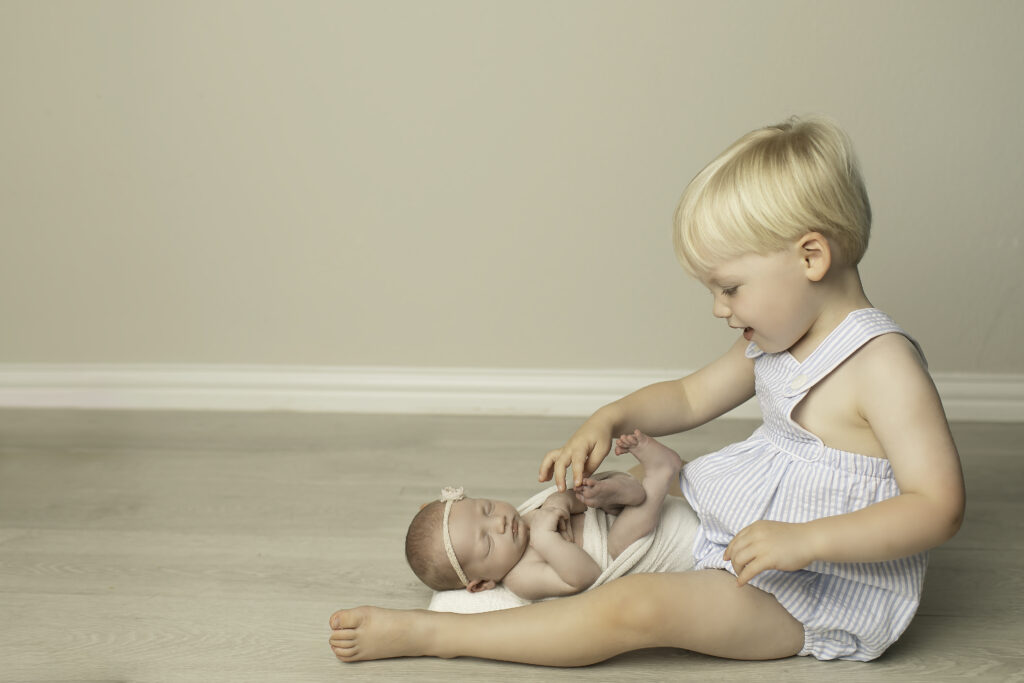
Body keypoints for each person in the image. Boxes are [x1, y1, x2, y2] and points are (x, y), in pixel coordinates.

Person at [329, 116, 965, 665]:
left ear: (810, 257)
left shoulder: (883, 366)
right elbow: (689, 398)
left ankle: (440, 635)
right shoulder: (780, 339)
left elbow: (937, 506)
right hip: (744, 539)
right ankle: (508, 597)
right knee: (605, 509)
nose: (719, 308)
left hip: (823, 588)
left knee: (632, 610)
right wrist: (611, 417)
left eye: (730, 287)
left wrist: (805, 541)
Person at [405, 429, 683, 600]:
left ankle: (624, 492)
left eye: (487, 509)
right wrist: (546, 537)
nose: (499, 523)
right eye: (488, 542)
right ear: (482, 583)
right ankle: (659, 474)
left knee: (592, 487)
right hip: (623, 549)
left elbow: (577, 505)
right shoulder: (521, 579)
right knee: (619, 542)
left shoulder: (525, 515)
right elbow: (585, 576)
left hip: (610, 513)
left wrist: (561, 501)